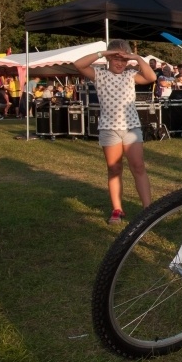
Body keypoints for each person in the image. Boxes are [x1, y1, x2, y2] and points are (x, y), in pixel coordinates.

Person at [74, 40, 157, 224]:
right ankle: (117, 209)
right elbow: (78, 64)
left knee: (138, 167)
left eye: (123, 60)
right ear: (109, 59)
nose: (120, 63)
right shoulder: (99, 74)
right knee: (114, 169)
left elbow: (151, 77)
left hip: (131, 128)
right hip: (109, 129)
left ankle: (148, 210)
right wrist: (103, 53)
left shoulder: (130, 75)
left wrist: (135, 57)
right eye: (116, 59)